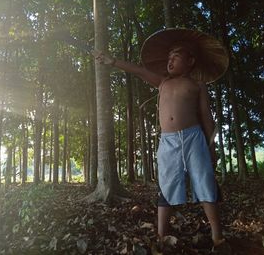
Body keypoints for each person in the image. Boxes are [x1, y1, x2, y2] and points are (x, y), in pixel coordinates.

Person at [95, 28, 230, 253]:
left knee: (205, 181)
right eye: (168, 56)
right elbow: (138, 71)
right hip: (168, 142)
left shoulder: (198, 85)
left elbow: (207, 118)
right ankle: (160, 235)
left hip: (194, 138)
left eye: (176, 55)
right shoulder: (162, 82)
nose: (171, 59)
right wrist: (113, 61)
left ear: (191, 61)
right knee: (166, 185)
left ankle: (218, 238)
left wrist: (211, 146)